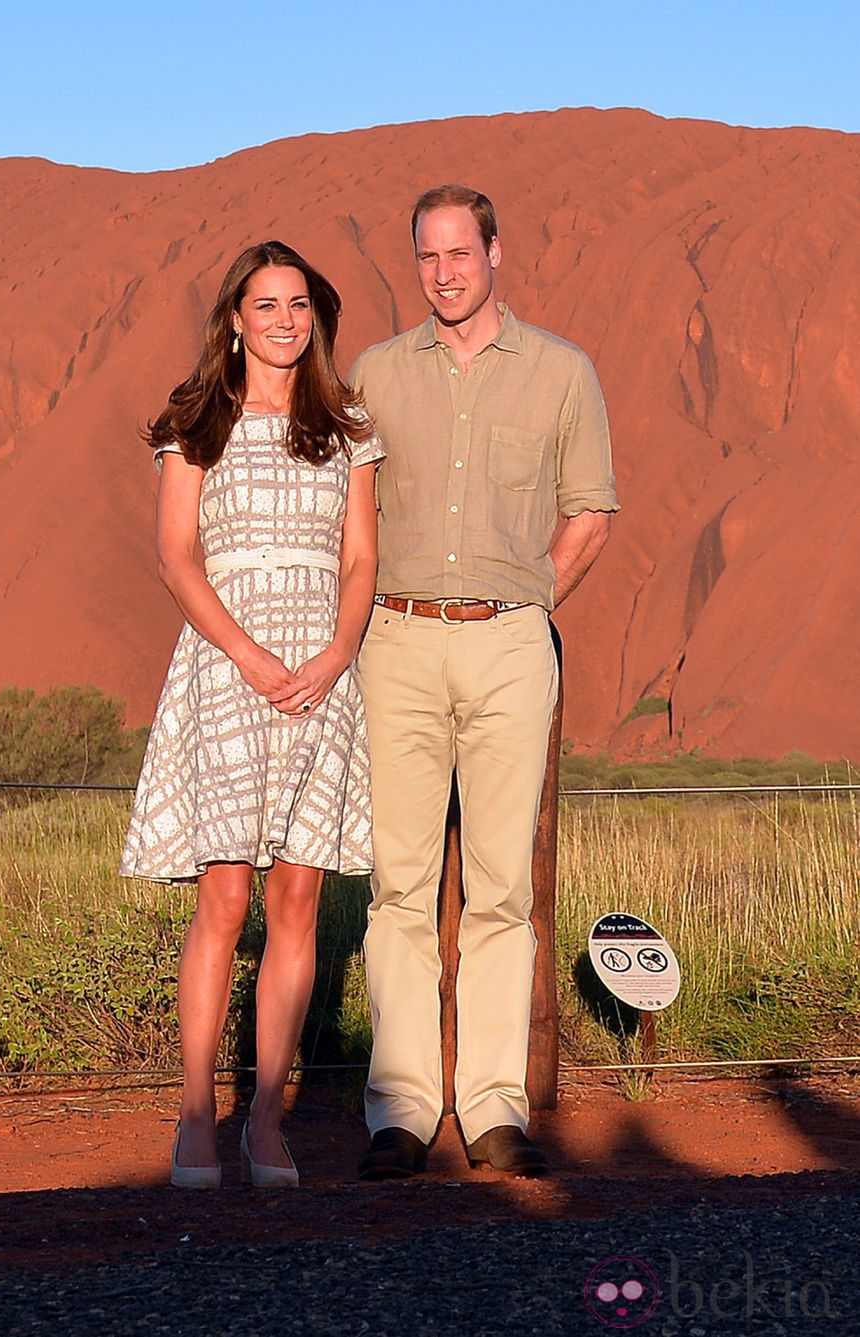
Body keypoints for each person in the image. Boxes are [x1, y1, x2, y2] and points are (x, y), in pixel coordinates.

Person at [352, 185, 618, 1180]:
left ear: (495, 253)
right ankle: (403, 1108)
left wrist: (526, 602)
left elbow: (589, 510)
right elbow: (350, 515)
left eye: (460, 253)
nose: (444, 273)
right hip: (399, 638)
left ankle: (494, 1104)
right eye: (427, 257)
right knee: (399, 885)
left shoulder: (560, 373)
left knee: (502, 886)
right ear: (413, 261)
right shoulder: (375, 375)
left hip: (509, 638)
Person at [121, 240, 383, 1189]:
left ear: (316, 315)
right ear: (233, 318)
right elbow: (176, 554)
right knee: (225, 898)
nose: (284, 320)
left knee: (300, 898)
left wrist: (335, 653)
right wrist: (249, 653)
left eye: (299, 304)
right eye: (265, 304)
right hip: (228, 665)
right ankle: (198, 1117)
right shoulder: (196, 421)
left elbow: (360, 559)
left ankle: (264, 1123)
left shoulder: (348, 425)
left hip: (322, 670)